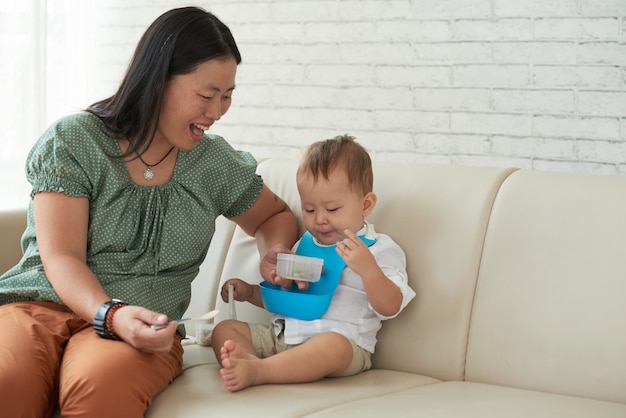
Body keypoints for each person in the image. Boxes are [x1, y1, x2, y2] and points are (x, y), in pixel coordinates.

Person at [0, 7, 298, 418]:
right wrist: (111, 314)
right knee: (7, 380)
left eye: (227, 95)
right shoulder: (75, 141)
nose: (217, 111)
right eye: (207, 94)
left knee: (100, 390)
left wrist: (276, 250)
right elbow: (61, 256)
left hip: (143, 326)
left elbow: (272, 215)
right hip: (39, 306)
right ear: (158, 81)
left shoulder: (213, 164)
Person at [211, 134, 416, 392]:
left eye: (332, 210)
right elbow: (289, 297)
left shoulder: (380, 249)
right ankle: (247, 361)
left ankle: (261, 371)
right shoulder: (304, 245)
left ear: (365, 204)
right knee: (225, 329)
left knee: (334, 346)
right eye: (309, 210)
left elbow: (391, 307)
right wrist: (250, 291)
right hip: (283, 337)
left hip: (342, 346)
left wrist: (368, 270)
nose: (319, 219)